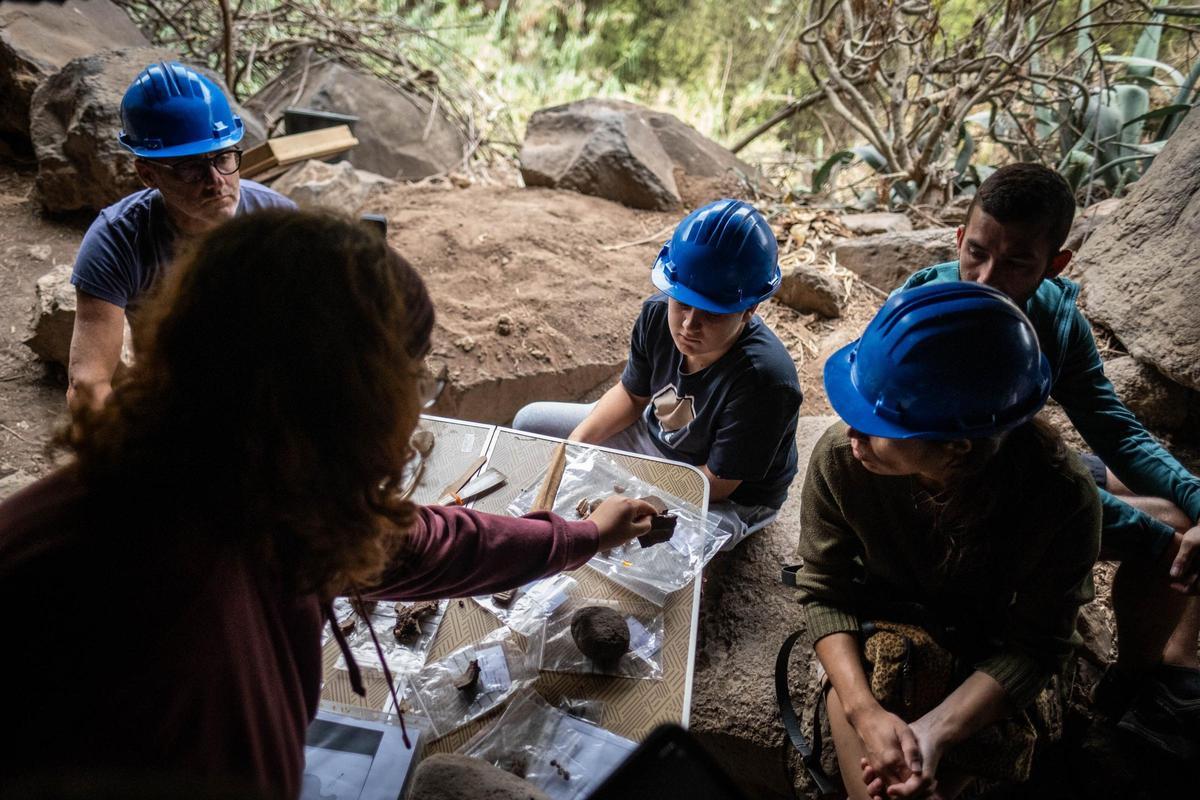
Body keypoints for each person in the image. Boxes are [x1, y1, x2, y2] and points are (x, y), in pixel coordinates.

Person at [0, 210, 657, 798]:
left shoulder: (221, 470)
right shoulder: (196, 644)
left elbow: (409, 543)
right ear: (347, 398)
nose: (417, 405)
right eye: (411, 377)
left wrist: (581, 536)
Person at [899, 163, 1199, 751]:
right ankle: (1143, 690)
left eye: (1016, 264)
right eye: (977, 253)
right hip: (971, 491)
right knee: (1166, 538)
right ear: (959, 239)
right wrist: (1147, 533)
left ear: (1054, 265)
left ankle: (1138, 677)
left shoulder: (1058, 323)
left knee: (1184, 513)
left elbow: (1116, 430)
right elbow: (951, 471)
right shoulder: (919, 316)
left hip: (1025, 467)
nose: (986, 279)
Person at [795, 281, 1102, 800]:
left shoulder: (1063, 500)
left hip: (991, 647)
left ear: (956, 448)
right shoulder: (843, 461)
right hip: (885, 625)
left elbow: (1039, 644)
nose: (852, 434)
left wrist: (936, 731)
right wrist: (863, 709)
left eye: (877, 423)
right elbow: (825, 590)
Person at [512, 198, 802, 549]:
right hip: (657, 438)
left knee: (669, 545)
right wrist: (575, 446)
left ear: (750, 308)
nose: (689, 325)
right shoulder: (655, 315)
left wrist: (625, 492)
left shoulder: (766, 381)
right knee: (530, 423)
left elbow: (717, 484)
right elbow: (632, 396)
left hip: (726, 492)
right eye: (682, 304)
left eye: (711, 314)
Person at [67, 60, 295, 414]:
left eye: (223, 157)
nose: (215, 179)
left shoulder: (281, 224)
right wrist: (119, 456)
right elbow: (88, 383)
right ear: (147, 174)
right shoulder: (117, 241)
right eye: (190, 167)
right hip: (173, 407)